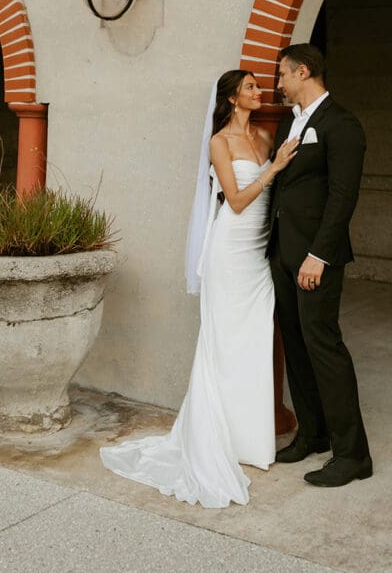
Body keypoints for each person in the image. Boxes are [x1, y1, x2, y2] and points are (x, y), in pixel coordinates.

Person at [100, 69, 298, 508]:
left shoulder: (265, 139)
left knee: (254, 342)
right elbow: (238, 199)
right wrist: (276, 169)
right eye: (249, 87)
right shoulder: (220, 143)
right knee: (223, 344)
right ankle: (218, 436)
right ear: (231, 98)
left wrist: (279, 163)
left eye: (256, 86)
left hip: (259, 252)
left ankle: (251, 437)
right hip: (230, 249)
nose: (257, 91)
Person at [268, 43, 372, 487]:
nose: (279, 84)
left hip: (316, 258)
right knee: (296, 344)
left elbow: (342, 197)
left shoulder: (342, 124)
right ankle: (314, 433)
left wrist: (319, 255)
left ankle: (353, 456)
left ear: (304, 72)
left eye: (283, 76)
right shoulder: (290, 124)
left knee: (324, 348)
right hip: (282, 253)